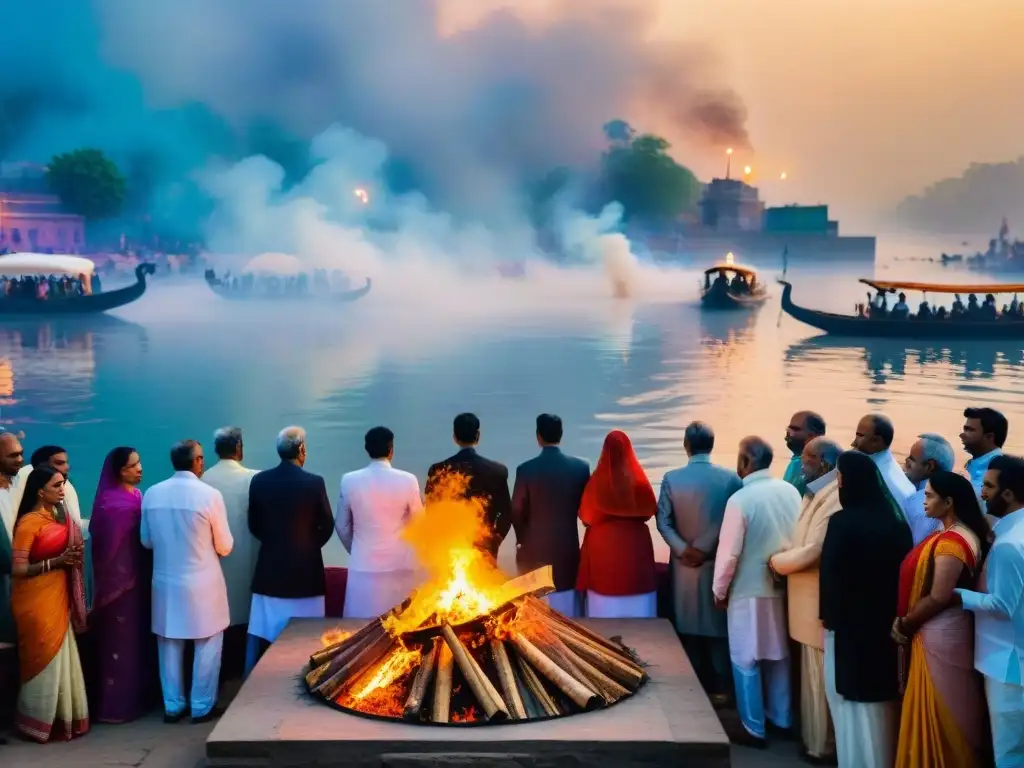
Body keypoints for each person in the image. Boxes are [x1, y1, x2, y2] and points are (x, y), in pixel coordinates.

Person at [819, 451, 913, 768]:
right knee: (880, 706)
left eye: (840, 477)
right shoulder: (897, 522)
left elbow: (830, 577)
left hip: (847, 629)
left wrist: (828, 617)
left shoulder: (842, 523)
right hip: (884, 627)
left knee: (848, 707)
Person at [892, 471, 991, 767]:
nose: (924, 500)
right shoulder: (952, 534)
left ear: (948, 502)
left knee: (940, 707)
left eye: (930, 496)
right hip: (943, 630)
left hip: (939, 634)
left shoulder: (952, 542)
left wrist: (905, 624)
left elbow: (939, 596)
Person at [712, 436, 800, 747]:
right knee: (779, 657)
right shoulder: (790, 492)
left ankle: (753, 728)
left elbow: (729, 555)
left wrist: (719, 590)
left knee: (745, 659)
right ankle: (782, 718)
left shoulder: (741, 500)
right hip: (785, 588)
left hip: (748, 590)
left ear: (745, 463)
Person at [141, 440, 233, 724]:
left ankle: (172, 705)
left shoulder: (152, 494)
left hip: (166, 583)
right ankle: (201, 705)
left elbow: (146, 541)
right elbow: (225, 545)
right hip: (203, 582)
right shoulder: (209, 495)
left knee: (169, 643)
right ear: (198, 461)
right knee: (207, 643)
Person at [656, 421, 741, 705]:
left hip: (683, 567)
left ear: (686, 445)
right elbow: (730, 521)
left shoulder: (671, 478)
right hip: (714, 564)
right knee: (718, 632)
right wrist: (704, 549)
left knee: (688, 629)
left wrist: (683, 549)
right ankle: (723, 691)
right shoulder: (731, 479)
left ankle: (691, 692)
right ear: (712, 445)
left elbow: (663, 521)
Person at [769, 436, 843, 763]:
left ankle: (820, 747)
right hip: (803, 601)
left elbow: (813, 552)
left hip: (816, 603)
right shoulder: (817, 490)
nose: (801, 463)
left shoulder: (835, 497)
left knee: (819, 680)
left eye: (807, 458)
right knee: (810, 680)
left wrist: (775, 562)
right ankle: (811, 740)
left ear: (825, 463)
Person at [10, 465, 88, 742]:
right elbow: (18, 569)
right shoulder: (29, 522)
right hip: (35, 601)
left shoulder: (57, 520)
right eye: (56, 485)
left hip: (57, 595)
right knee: (43, 656)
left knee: (60, 656)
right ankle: (36, 720)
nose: (62, 489)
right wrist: (56, 562)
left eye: (63, 484)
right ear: (40, 491)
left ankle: (61, 719)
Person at [247, 427, 333, 673]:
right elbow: (327, 524)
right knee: (307, 636)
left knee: (269, 633)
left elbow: (254, 524)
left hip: (270, 569)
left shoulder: (259, 481)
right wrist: (308, 545)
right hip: (306, 571)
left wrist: (275, 542)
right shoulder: (314, 482)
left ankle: (265, 675)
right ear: (301, 450)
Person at [956, 454, 1024, 765]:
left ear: (1008, 495)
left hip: (1008, 666)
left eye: (988, 486)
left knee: (1009, 751)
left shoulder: (1011, 543)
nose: (981, 492)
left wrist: (958, 595)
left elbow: (1001, 606)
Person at [87, 446, 152, 724]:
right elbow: (108, 550)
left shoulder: (136, 496)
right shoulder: (111, 505)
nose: (139, 469)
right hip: (120, 586)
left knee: (136, 643)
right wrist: (121, 580)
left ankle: (137, 701)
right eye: (133, 466)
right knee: (120, 646)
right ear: (119, 472)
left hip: (138, 581)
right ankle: (115, 708)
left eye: (139, 463)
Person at [337, 426, 423, 618]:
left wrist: (358, 550)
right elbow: (420, 524)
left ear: (367, 449)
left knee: (357, 629)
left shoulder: (349, 480)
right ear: (391, 450)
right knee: (400, 630)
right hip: (400, 566)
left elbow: (342, 526)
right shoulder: (408, 480)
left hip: (362, 567)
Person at [510, 414, 591, 617]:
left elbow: (517, 511)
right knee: (567, 608)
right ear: (561, 435)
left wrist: (521, 540)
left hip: (533, 550)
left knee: (535, 610)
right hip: (567, 548)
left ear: (538, 436)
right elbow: (587, 508)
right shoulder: (581, 468)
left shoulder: (525, 470)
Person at [576, 430, 657, 618]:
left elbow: (586, 516)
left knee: (603, 616)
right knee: (639, 612)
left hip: (604, 548)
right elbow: (650, 510)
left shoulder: (596, 483)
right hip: (636, 546)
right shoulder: (640, 482)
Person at [201, 427, 258, 680]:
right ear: (239, 448)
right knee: (246, 610)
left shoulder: (203, 480)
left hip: (214, 560)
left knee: (220, 613)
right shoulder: (254, 478)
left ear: (215, 450)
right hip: (249, 556)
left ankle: (221, 671)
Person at [426, 413, 511, 559]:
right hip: (485, 548)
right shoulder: (497, 471)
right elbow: (507, 513)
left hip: (450, 548)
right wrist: (494, 540)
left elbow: (431, 510)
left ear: (454, 437)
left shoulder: (438, 470)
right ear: (477, 436)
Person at [0, 433, 28, 648]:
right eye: (13, 455)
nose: (20, 459)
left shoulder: (19, 485)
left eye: (21, 454)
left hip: (20, 577)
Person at [851, 413, 916, 503]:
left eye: (860, 435)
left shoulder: (875, 478)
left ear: (876, 440)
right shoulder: (889, 465)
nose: (853, 443)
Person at [901, 433, 951, 545]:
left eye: (911, 459)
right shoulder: (948, 498)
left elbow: (912, 548)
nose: (906, 460)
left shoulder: (920, 504)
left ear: (929, 466)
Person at [29, 446, 83, 526]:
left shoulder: (68, 488)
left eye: (66, 462)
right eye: (59, 463)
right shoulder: (30, 517)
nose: (67, 467)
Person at [960, 406, 1008, 496]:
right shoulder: (976, 462)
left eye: (970, 430)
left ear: (989, 437)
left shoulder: (997, 468)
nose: (962, 435)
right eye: (965, 429)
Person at [783, 412, 826, 497]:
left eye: (795, 429)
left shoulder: (807, 468)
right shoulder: (797, 462)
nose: (788, 432)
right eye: (789, 428)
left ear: (812, 436)